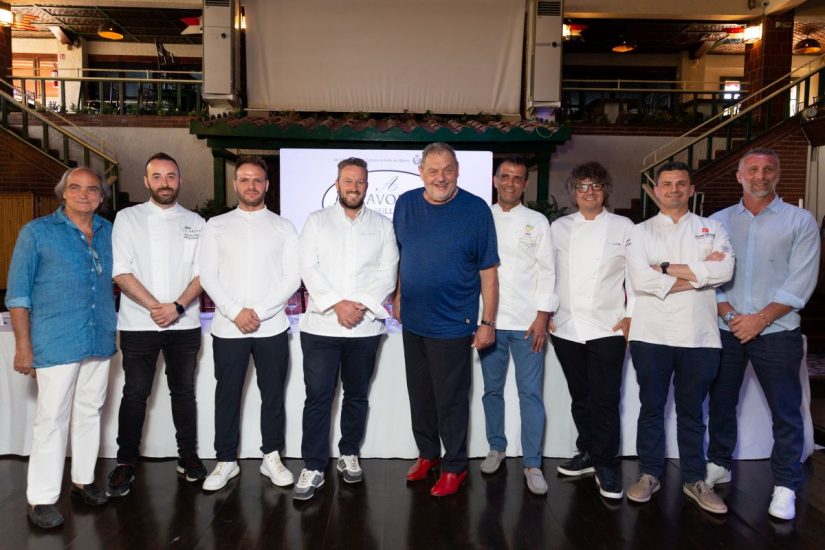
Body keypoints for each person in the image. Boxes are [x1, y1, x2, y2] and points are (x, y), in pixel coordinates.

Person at [706, 148, 820, 521]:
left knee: (785, 411)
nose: (760, 175)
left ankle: (785, 484)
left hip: (778, 332)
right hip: (728, 328)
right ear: (739, 175)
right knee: (722, 403)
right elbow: (709, 275)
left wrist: (760, 319)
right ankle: (719, 463)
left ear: (778, 175)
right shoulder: (718, 222)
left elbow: (801, 280)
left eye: (768, 169)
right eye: (752, 169)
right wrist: (731, 314)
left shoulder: (799, 221)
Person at [6, 167, 116, 528]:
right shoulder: (36, 233)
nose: (84, 194)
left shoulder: (108, 233)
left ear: (101, 197)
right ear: (63, 193)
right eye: (76, 188)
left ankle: (83, 482)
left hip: (98, 337)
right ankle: (40, 499)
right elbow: (18, 295)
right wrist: (23, 345)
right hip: (55, 339)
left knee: (90, 411)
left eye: (92, 189)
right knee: (51, 419)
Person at [625, 161, 734, 514]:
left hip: (700, 336)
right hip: (651, 335)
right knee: (652, 408)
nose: (674, 189)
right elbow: (641, 282)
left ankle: (694, 478)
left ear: (691, 189)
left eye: (681, 184)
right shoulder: (640, 232)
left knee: (691, 412)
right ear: (656, 190)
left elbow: (725, 270)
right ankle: (648, 474)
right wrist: (701, 276)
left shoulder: (711, 227)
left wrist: (667, 269)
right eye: (667, 184)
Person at [392, 142, 499, 497]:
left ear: (457, 171)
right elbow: (404, 256)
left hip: (455, 323)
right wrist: (399, 295)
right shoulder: (405, 204)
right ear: (421, 171)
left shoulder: (476, 210)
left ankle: (454, 466)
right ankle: (428, 455)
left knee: (451, 399)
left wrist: (488, 322)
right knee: (419, 394)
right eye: (433, 170)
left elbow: (488, 272)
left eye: (448, 169)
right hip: (414, 321)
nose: (441, 177)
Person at [292, 157, 399, 501]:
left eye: (360, 182)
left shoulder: (383, 225)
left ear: (367, 186)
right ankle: (313, 465)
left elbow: (389, 270)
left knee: (356, 395)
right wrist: (336, 304)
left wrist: (361, 305)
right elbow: (308, 266)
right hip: (321, 328)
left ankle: (349, 453)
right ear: (337, 184)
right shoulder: (316, 222)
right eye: (348, 181)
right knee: (319, 397)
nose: (354, 187)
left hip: (365, 329)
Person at [105, 153, 207, 498]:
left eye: (171, 176)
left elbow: (202, 274)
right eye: (157, 176)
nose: (165, 182)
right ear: (147, 182)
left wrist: (177, 307)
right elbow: (120, 270)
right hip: (138, 323)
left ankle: (188, 457)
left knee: (184, 393)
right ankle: (125, 462)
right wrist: (156, 307)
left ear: (180, 180)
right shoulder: (127, 218)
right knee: (134, 393)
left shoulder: (197, 222)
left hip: (184, 323)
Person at [198, 156, 301, 492]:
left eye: (258, 180)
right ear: (235, 184)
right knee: (227, 394)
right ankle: (226, 460)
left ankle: (271, 456)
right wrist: (234, 311)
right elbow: (208, 275)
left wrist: (257, 310)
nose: (251, 186)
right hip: (228, 328)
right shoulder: (215, 225)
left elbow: (292, 277)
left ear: (267, 185)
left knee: (272, 394)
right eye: (244, 180)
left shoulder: (284, 227)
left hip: (272, 327)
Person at [549, 162, 634, 501]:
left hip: (607, 327)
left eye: (596, 186)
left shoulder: (624, 226)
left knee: (606, 399)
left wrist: (631, 316)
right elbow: (547, 271)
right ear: (573, 192)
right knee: (580, 396)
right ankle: (587, 451)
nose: (589, 192)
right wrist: (548, 310)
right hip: (566, 327)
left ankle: (606, 463)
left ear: (605, 190)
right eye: (582, 186)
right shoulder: (559, 227)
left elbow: (637, 275)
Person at [477, 157, 554, 495]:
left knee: (530, 394)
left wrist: (543, 316)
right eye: (504, 177)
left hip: (527, 324)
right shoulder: (481, 218)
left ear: (525, 185)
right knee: (492, 390)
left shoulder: (537, 222)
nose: (510, 183)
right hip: (490, 322)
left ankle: (533, 463)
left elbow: (548, 270)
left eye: (517, 178)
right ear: (495, 180)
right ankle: (496, 447)